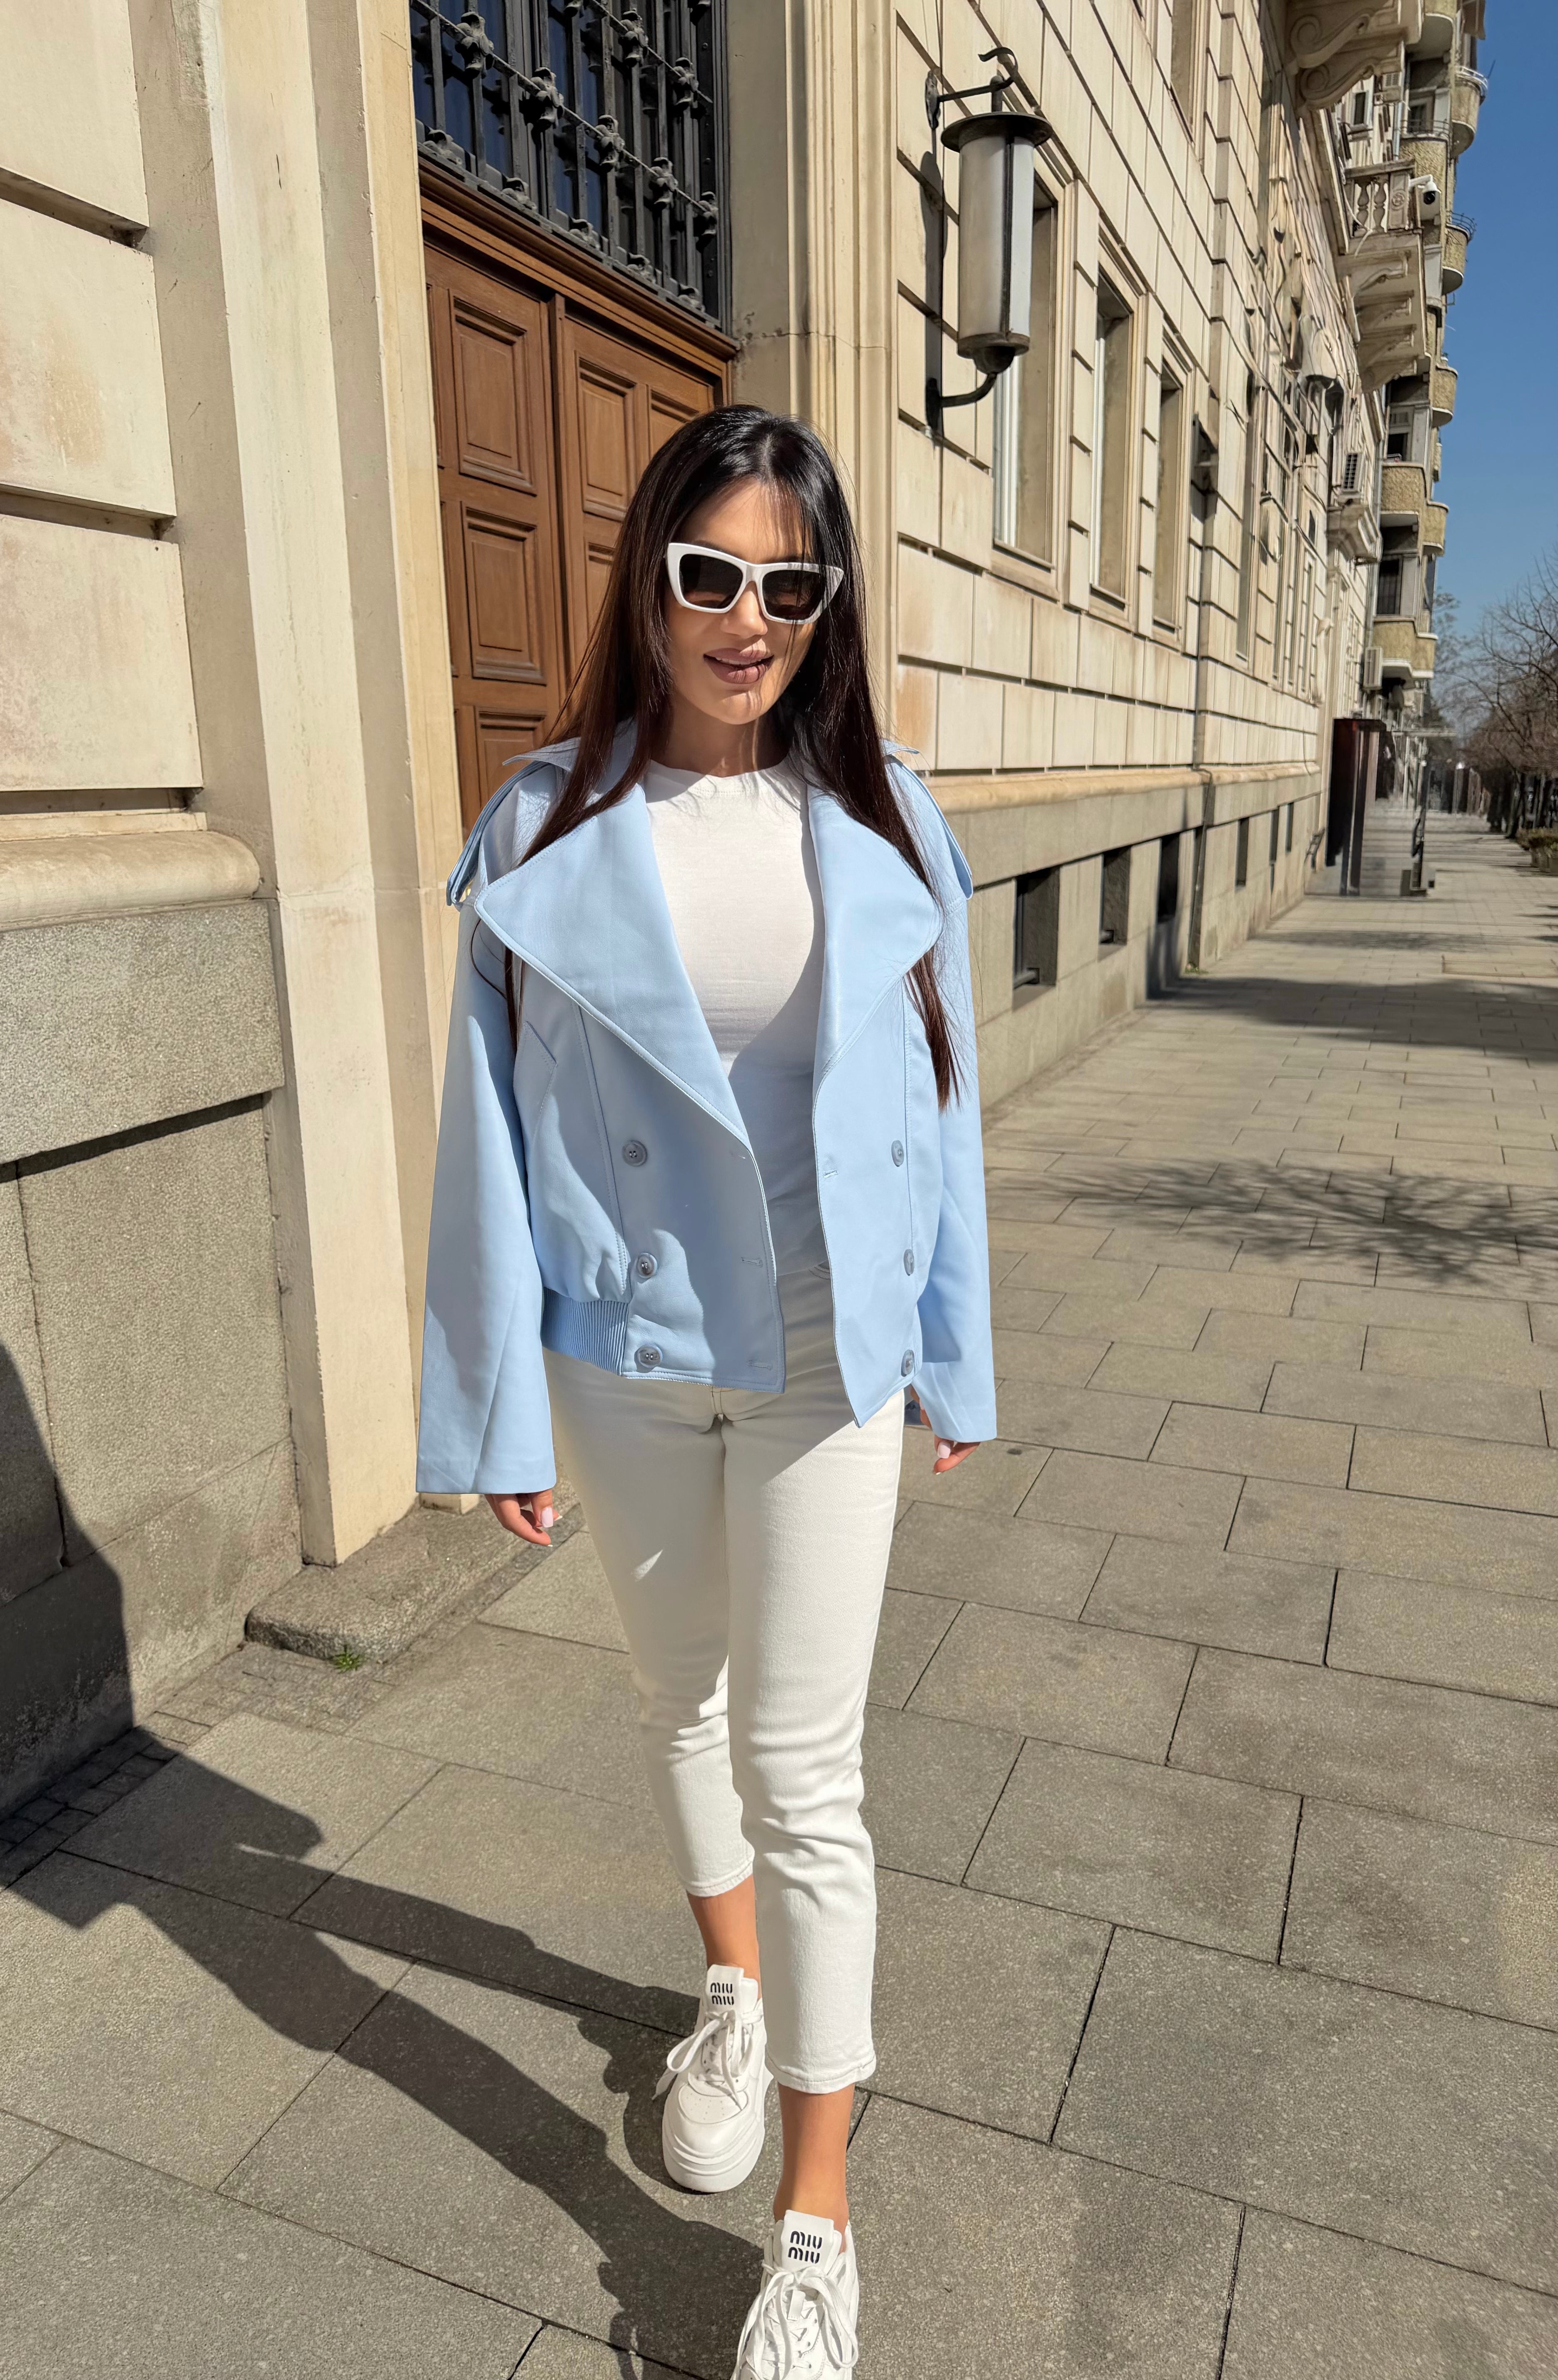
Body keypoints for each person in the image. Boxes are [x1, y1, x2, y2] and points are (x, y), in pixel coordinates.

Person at [417, 404, 995, 2378]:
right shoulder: (547, 823)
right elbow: (486, 1141)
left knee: (808, 1774)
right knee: (683, 1706)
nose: (749, 619)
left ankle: (815, 2231)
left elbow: (943, 1116)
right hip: (633, 1358)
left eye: (790, 585)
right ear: (650, 582)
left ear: (828, 609)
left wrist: (954, 1353)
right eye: (711, 575)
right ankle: (730, 1997)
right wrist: (491, 1411)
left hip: (830, 1362)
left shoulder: (891, 820)